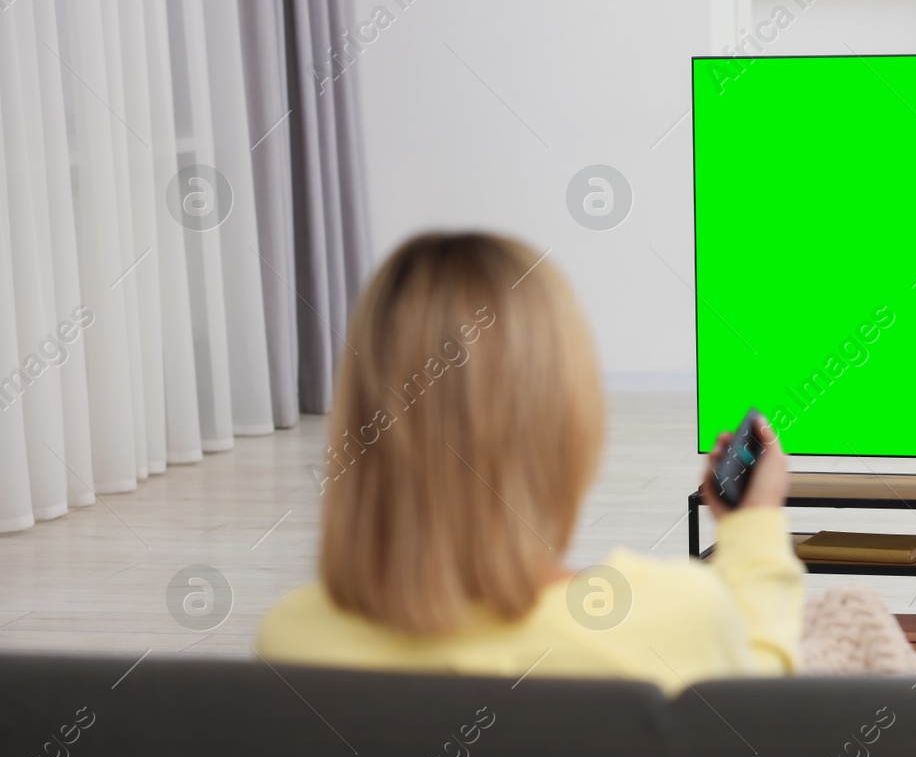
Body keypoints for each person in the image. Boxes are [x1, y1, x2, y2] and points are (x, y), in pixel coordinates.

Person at [257, 232, 804, 693]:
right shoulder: (675, 620)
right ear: (570, 424)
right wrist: (755, 528)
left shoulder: (291, 641)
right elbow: (761, 713)